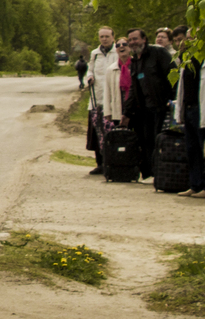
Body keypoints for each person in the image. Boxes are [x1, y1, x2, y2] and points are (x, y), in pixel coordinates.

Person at [124, 27, 173, 179]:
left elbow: (173, 76)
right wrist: (126, 112)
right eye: (130, 40)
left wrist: (172, 101)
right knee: (147, 140)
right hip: (144, 109)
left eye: (135, 39)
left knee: (161, 141)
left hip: (162, 107)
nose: (133, 42)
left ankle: (162, 173)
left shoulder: (158, 53)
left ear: (144, 39)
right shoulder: (135, 61)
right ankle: (151, 173)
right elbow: (133, 88)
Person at [173, 27, 205, 198]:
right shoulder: (186, 59)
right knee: (192, 149)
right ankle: (195, 184)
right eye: (188, 37)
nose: (189, 41)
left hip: (202, 109)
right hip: (190, 108)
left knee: (202, 148)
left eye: (193, 37)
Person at [86, 27, 120, 175]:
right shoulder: (95, 53)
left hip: (113, 97)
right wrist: (89, 77)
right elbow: (90, 70)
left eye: (107, 36)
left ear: (113, 37)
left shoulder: (117, 51)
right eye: (102, 37)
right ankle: (99, 162)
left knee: (111, 130)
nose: (104, 39)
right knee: (96, 132)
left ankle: (113, 162)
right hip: (96, 97)